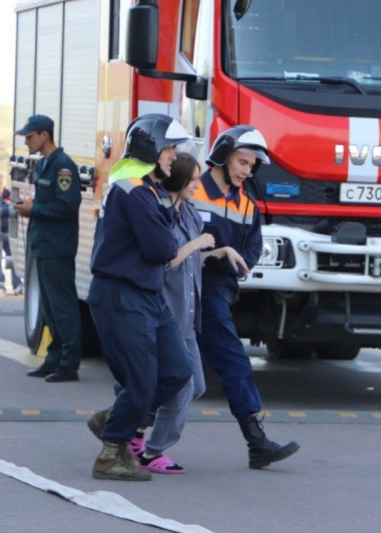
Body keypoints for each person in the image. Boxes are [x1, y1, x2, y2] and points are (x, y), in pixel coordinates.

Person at [85, 114, 194, 481]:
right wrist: (171, 232)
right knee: (142, 382)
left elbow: (165, 242)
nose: (173, 158)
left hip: (146, 295)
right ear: (151, 150)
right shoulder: (134, 190)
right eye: (169, 149)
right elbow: (162, 247)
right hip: (122, 295)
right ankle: (111, 455)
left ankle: (115, 419)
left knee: (178, 370)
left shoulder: (148, 191)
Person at [191, 126, 300, 469]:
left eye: (251, 166)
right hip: (185, 287)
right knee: (217, 364)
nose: (246, 171)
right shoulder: (190, 190)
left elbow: (251, 250)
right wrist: (217, 256)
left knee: (186, 369)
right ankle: (256, 442)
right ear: (222, 156)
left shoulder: (247, 205)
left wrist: (232, 261)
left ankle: (117, 427)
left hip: (217, 292)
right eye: (241, 162)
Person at [127, 152, 215, 474]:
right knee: (183, 386)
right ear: (177, 180)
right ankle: (151, 451)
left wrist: (222, 252)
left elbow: (195, 260)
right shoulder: (160, 212)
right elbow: (165, 260)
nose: (197, 184)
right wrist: (197, 244)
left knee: (198, 386)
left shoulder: (190, 214)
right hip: (167, 314)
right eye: (192, 179)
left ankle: (129, 421)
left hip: (188, 316)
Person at [14, 115, 82, 383]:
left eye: (30, 136)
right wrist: (31, 205)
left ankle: (69, 363)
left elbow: (67, 206)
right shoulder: (43, 164)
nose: (27, 141)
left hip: (58, 247)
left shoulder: (63, 166)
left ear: (44, 135)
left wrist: (35, 209)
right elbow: (49, 201)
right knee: (51, 308)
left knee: (63, 306)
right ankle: (54, 357)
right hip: (43, 245)